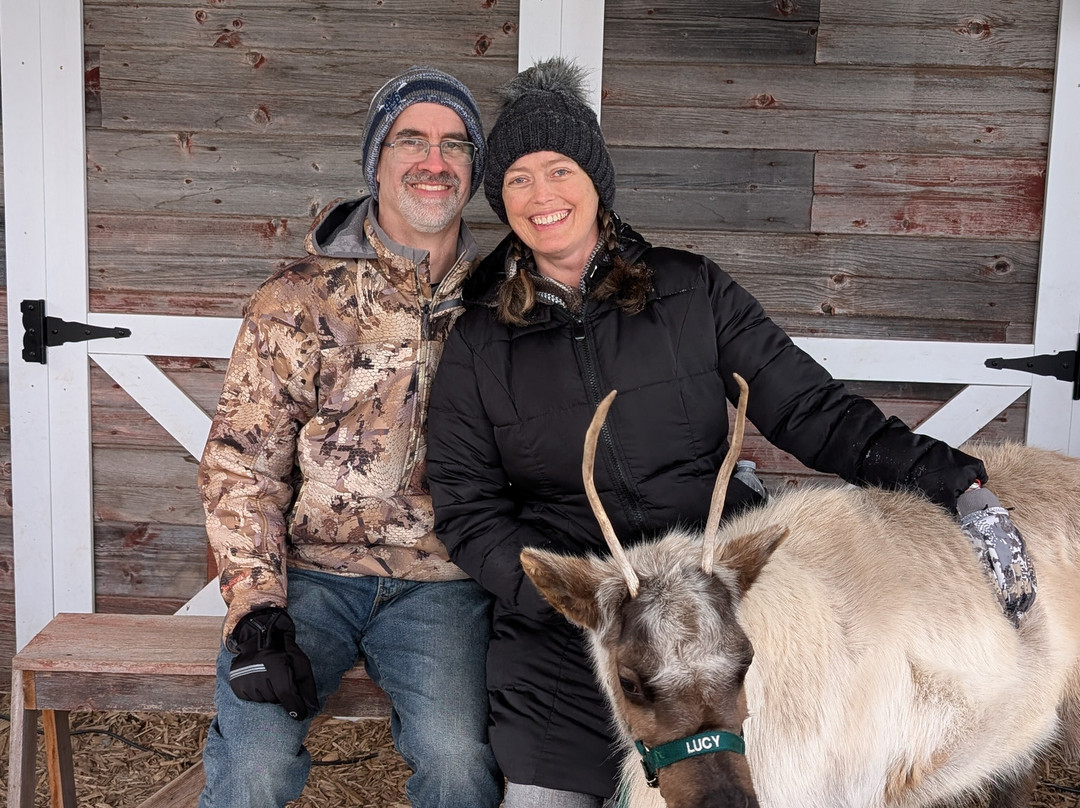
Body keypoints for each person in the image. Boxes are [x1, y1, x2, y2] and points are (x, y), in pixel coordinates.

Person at [426, 57, 1035, 807]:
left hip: (712, 622)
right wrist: (575, 599)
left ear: (595, 181)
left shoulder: (690, 290)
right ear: (502, 199)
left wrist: (949, 474)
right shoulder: (482, 340)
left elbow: (811, 409)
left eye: (559, 168)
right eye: (518, 178)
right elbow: (466, 505)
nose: (541, 194)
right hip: (575, 639)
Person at [196, 66, 502, 808]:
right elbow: (243, 467)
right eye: (412, 141)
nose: (434, 162)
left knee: (459, 763)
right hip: (311, 579)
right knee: (256, 766)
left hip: (444, 586)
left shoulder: (504, 298)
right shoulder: (299, 298)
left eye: (455, 146)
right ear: (377, 159)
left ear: (473, 170)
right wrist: (257, 606)